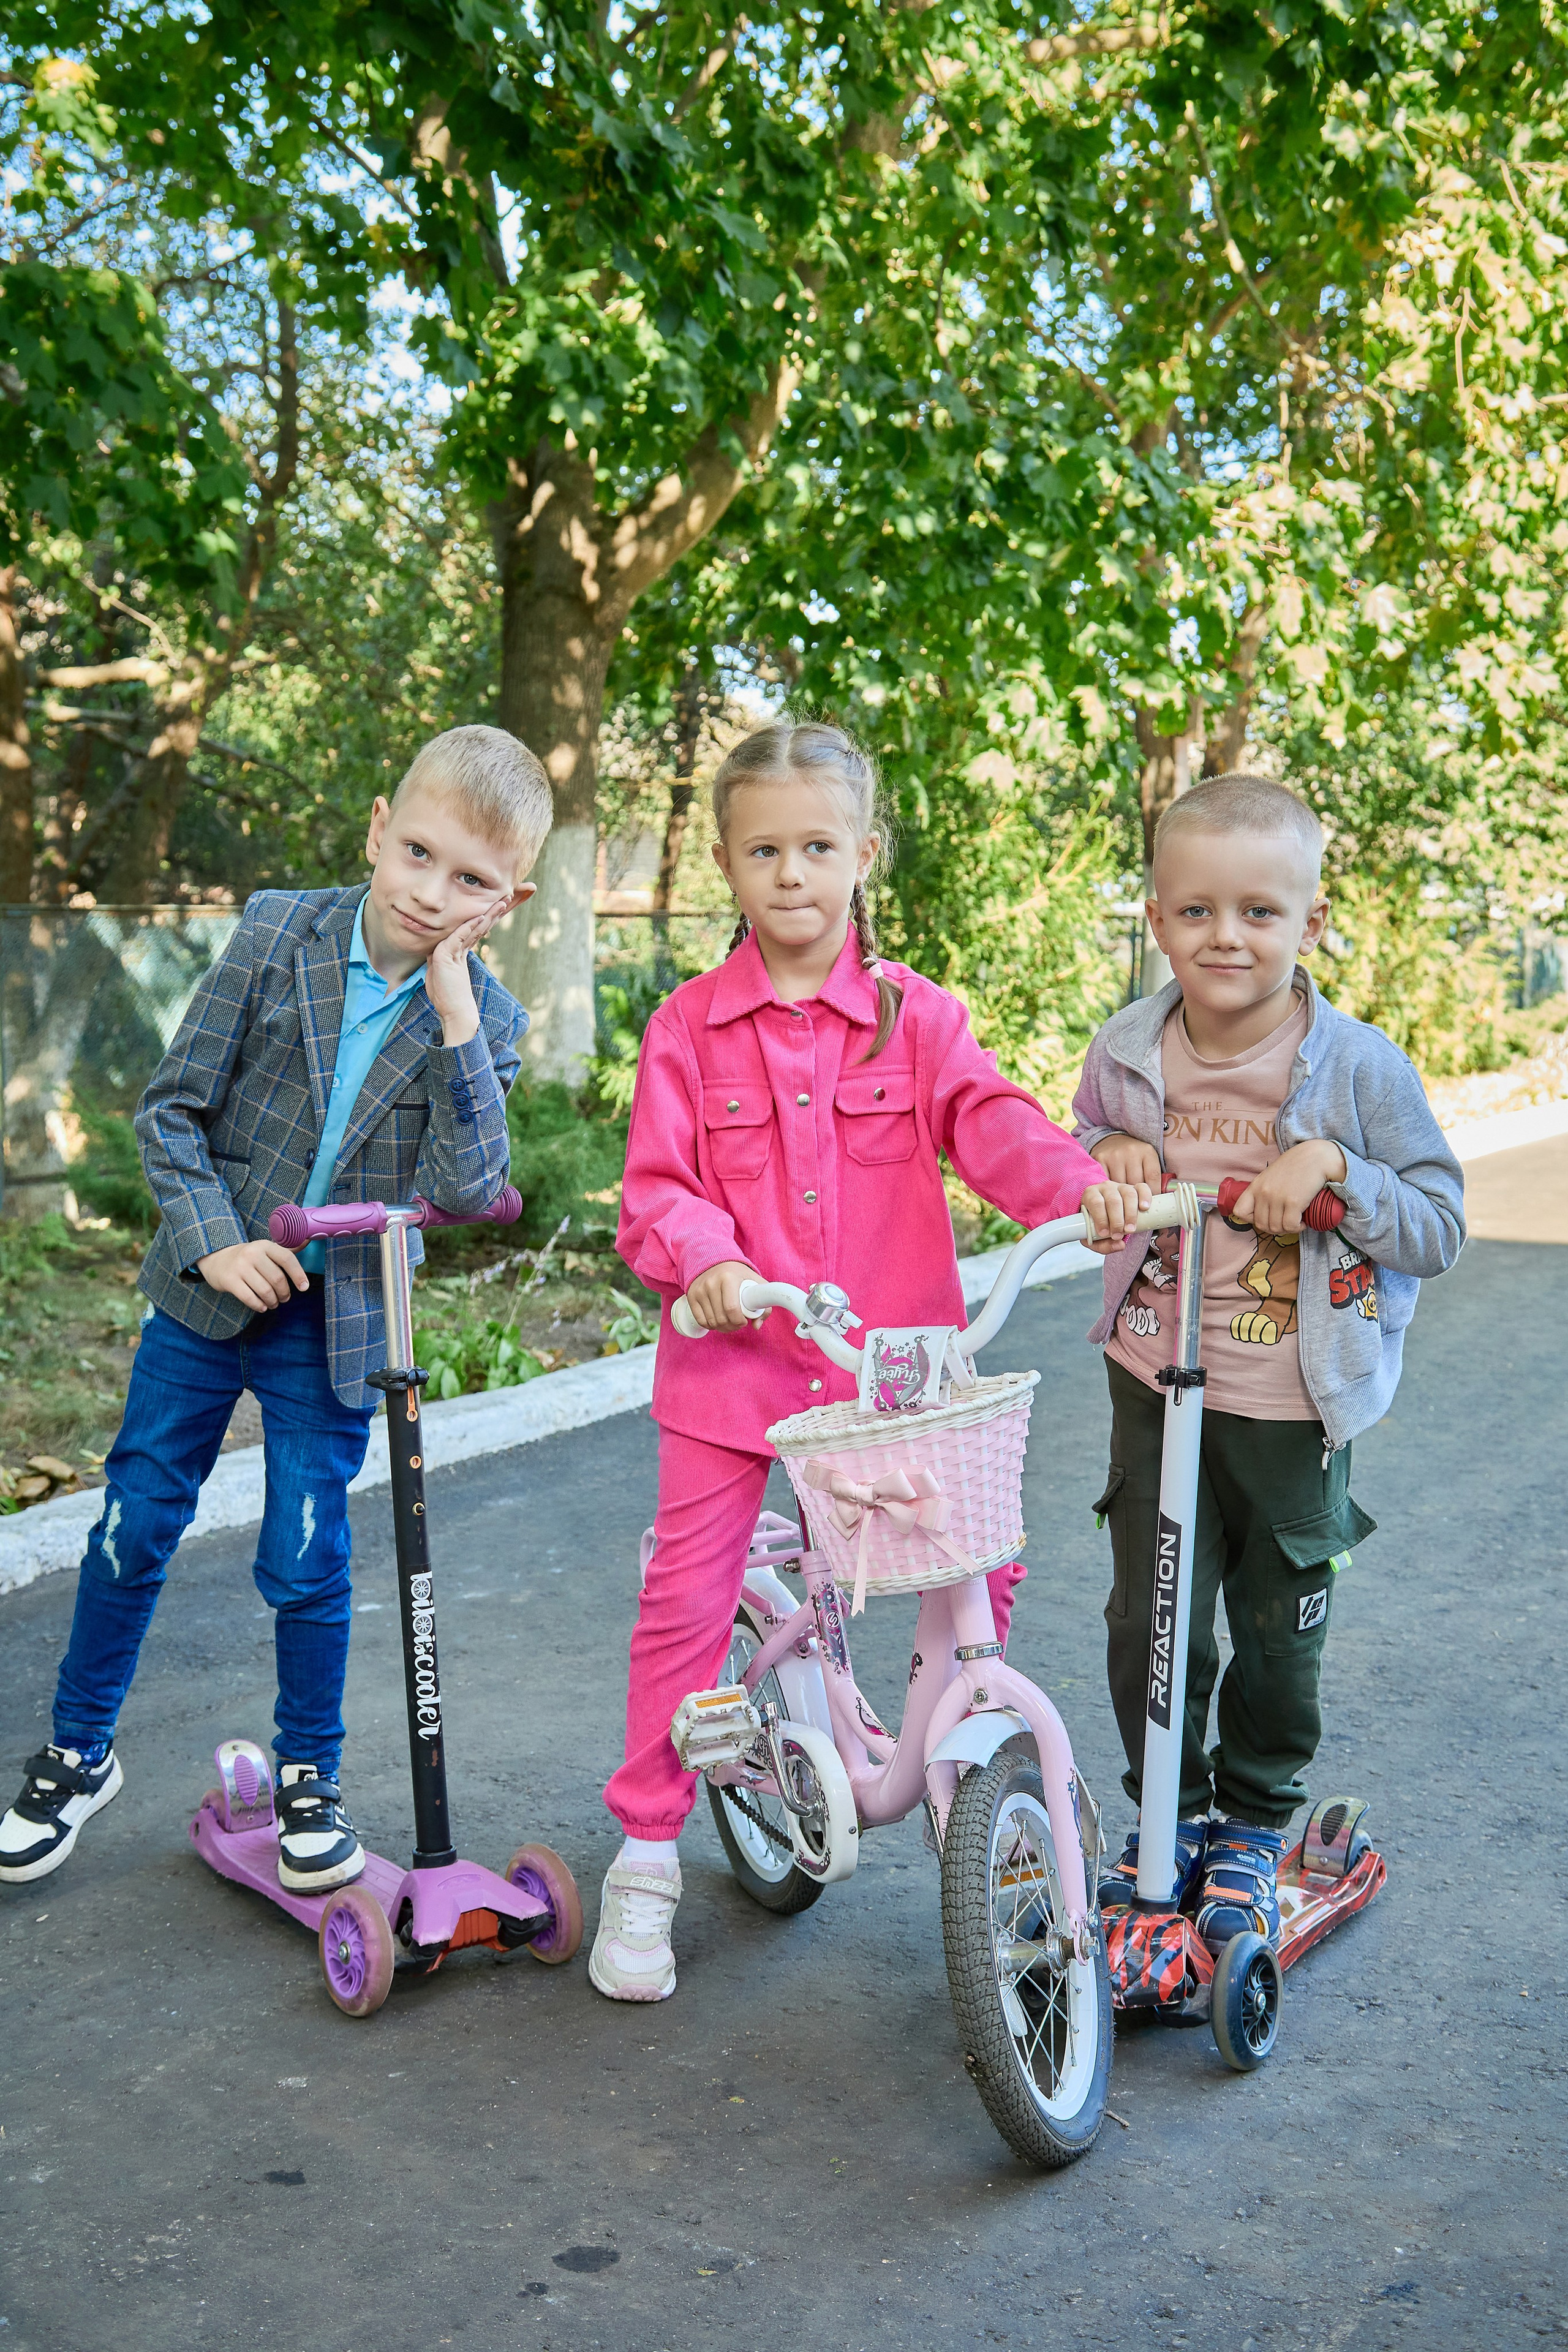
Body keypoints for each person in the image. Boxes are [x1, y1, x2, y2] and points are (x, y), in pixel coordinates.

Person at [590, 718, 1141, 2002]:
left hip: (894, 1375)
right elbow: (657, 1191)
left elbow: (992, 1122)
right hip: (735, 1373)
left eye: (817, 847)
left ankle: (953, 1771)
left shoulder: (916, 1018)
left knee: (976, 1560)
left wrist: (1081, 1192)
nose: (791, 873)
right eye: (763, 851)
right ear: (727, 865)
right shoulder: (686, 1029)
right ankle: (647, 1852)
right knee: (687, 1596)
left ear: (863, 855)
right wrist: (704, 1258)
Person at [0, 727, 551, 1890]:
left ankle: (311, 1775)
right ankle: (78, 1750)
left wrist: (455, 1014)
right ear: (378, 828)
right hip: (206, 1295)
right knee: (134, 1521)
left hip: (333, 1321)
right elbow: (171, 1111)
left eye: (470, 881)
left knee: (306, 1553)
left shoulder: (487, 1024)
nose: (429, 892)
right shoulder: (276, 931)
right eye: (417, 853)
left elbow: (464, 1190)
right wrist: (214, 1244)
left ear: (508, 902)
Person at [1072, 772, 1464, 1949]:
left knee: (1278, 1629)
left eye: (1259, 911)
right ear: (1157, 919)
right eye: (1196, 910)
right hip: (1153, 1379)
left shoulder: (1358, 1068)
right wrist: (1110, 1151)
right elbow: (1083, 1143)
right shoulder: (1127, 1051)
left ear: (1312, 921)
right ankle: (1169, 1817)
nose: (1226, 936)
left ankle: (1250, 1820)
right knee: (1151, 1623)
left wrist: (1338, 1169)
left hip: (1294, 1402)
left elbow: (1438, 1225)